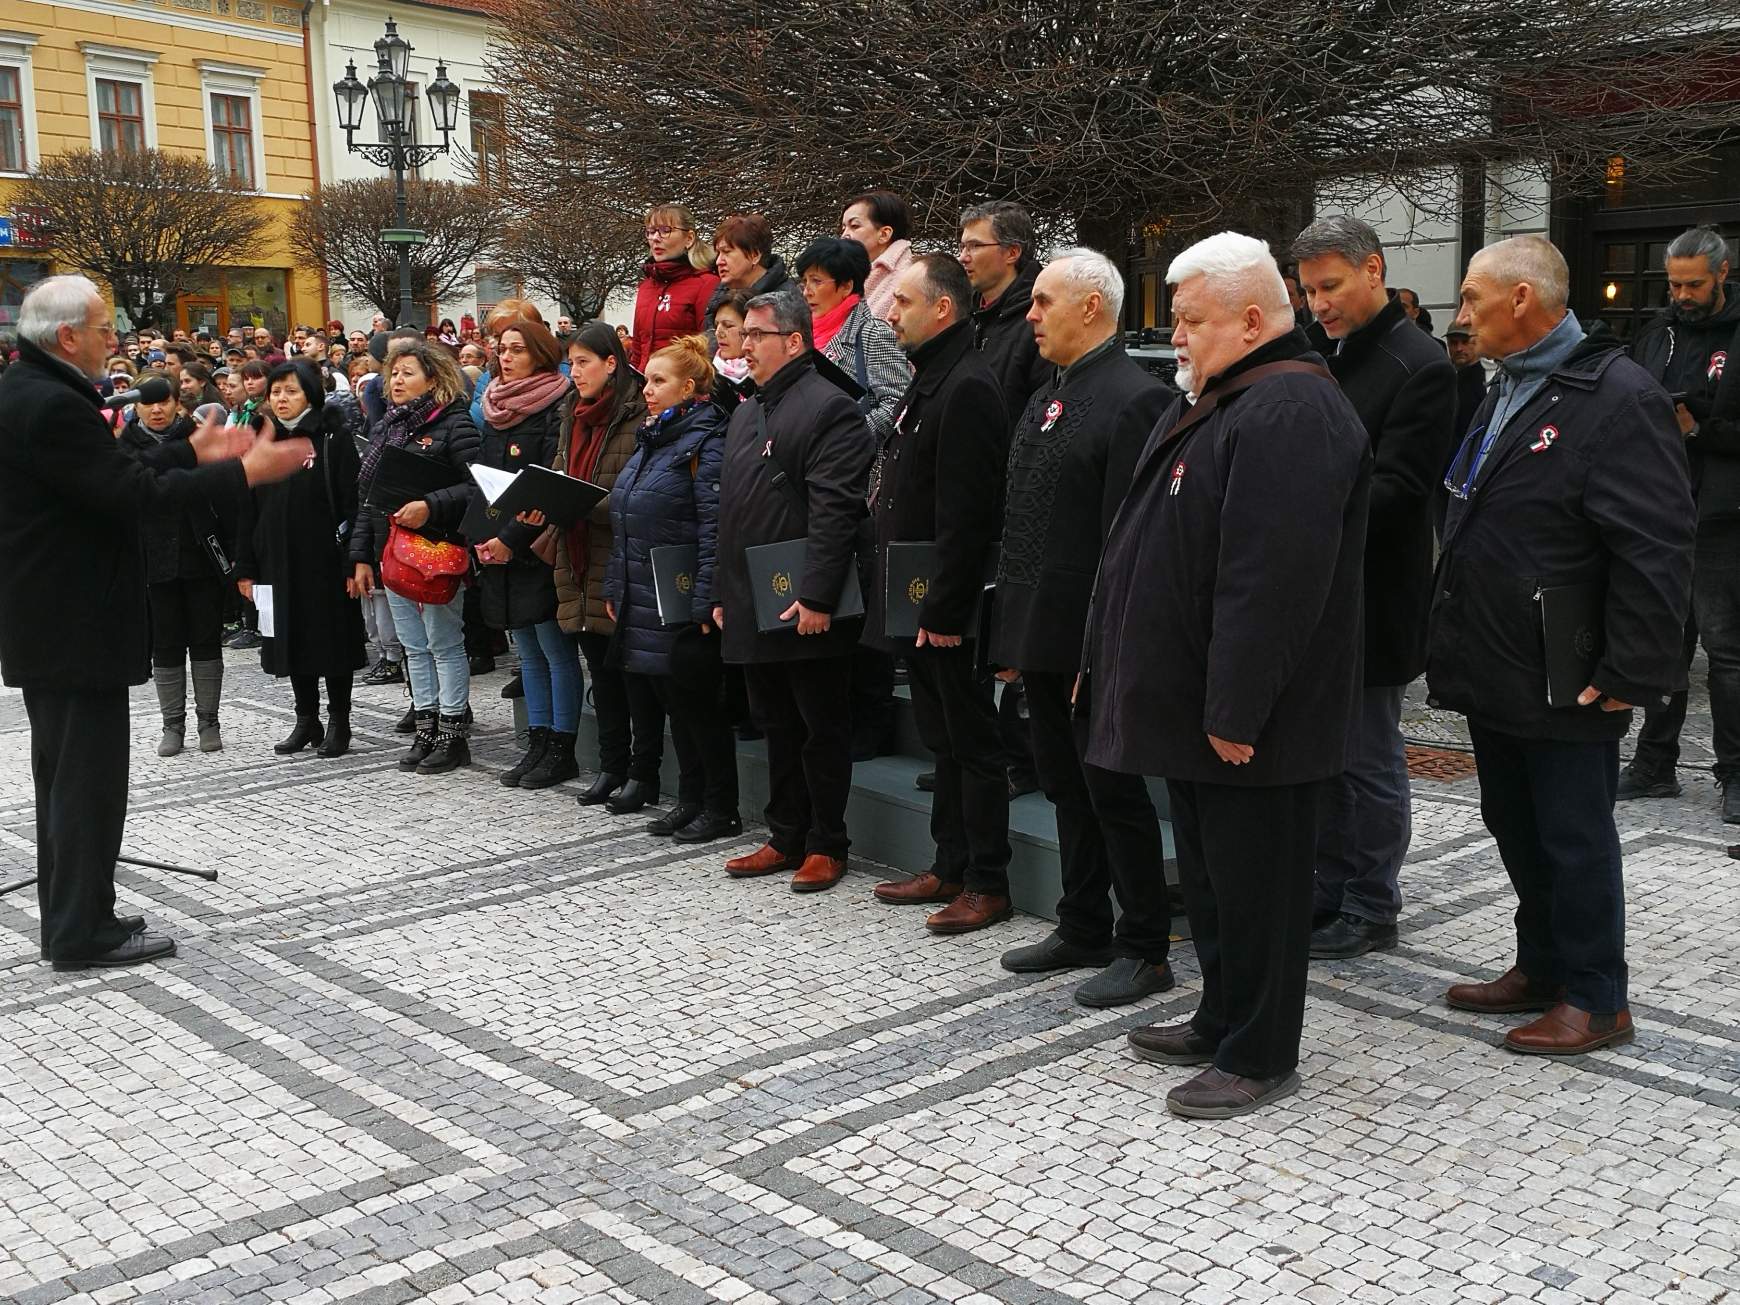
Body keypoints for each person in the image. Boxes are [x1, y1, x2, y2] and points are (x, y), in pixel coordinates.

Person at [1087, 233, 1371, 1118]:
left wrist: (1237, 705)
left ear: (1252, 320)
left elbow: (1272, 580)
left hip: (1255, 719)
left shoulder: (1289, 410)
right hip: (1203, 709)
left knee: (1261, 889)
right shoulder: (1229, 397)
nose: (1177, 336)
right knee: (1213, 881)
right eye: (1176, 319)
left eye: (1192, 320)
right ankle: (1220, 1014)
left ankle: (1260, 1050)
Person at [1429, 235, 1695, 1054]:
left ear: (1521, 300)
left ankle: (1597, 995)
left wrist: (1633, 669)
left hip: (1567, 666)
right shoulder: (1504, 386)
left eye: (1472, 298)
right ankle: (1540, 963)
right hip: (1497, 656)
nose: (1460, 314)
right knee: (1512, 819)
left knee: (1574, 834)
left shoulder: (1617, 395)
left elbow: (1656, 542)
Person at [0, 274, 313, 970]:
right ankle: (83, 932)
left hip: (53, 622)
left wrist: (189, 451)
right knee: (87, 783)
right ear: (67, 336)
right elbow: (128, 495)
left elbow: (103, 473)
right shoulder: (49, 403)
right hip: (74, 623)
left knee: (67, 779)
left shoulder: (35, 390)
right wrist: (244, 473)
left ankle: (78, 912)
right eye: (104, 327)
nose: (116, 339)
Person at [983, 250, 1176, 999]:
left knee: (1112, 791)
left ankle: (1144, 942)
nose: (1029, 314)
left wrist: (1098, 650)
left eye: (1042, 301)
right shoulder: (1048, 394)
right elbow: (1025, 519)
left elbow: (1126, 540)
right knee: (1066, 785)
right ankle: (1083, 919)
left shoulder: (1134, 399)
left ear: (1090, 306)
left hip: (1091, 639)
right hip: (1039, 629)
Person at [1290, 215, 1458, 959]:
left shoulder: (1421, 362)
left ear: (1373, 270)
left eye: (1329, 287)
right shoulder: (1315, 348)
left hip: (1373, 594)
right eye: (1308, 290)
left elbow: (1399, 490)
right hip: (1312, 591)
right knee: (1319, 753)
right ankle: (1326, 887)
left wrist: (1297, 508)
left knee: (1367, 754)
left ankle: (1370, 899)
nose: (1319, 303)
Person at [862, 254, 1013, 931]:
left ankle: (987, 878)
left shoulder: (968, 386)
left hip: (947, 606)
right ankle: (948, 862)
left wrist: (947, 609)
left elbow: (967, 515)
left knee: (972, 746)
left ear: (943, 308)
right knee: (943, 743)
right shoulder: (931, 378)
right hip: (917, 599)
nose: (892, 315)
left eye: (905, 303)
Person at [714, 289, 873, 893]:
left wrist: (818, 596)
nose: (744, 345)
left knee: (819, 726)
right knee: (774, 722)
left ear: (796, 341)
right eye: (743, 335)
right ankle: (785, 833)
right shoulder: (747, 409)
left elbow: (837, 512)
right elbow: (728, 509)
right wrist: (723, 590)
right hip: (753, 593)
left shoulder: (830, 408)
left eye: (757, 335)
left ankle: (827, 843)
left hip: (809, 601)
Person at [1619, 225, 1740, 810]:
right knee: (1664, 647)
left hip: (1722, 517)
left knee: (1726, 651)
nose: (1683, 294)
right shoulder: (1658, 332)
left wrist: (1701, 428)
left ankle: (1734, 774)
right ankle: (1654, 763)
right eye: (1674, 284)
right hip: (1660, 510)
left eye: (1693, 284)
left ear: (1723, 273)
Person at [606, 335, 740, 841]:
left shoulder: (705, 442)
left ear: (689, 387)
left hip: (683, 596)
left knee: (698, 706)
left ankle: (718, 805)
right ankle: (690, 797)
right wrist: (617, 586)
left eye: (659, 381)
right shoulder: (654, 438)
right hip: (646, 594)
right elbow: (626, 519)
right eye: (647, 380)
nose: (648, 390)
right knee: (674, 704)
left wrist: (707, 594)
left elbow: (714, 526)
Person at [795, 236, 912, 762]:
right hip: (814, 479)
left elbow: (899, 400)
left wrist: (849, 436)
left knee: (864, 602)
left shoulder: (872, 333)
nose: (807, 291)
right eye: (804, 281)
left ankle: (873, 718)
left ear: (847, 285)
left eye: (817, 281)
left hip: (863, 481)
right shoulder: (807, 333)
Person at [351, 338, 482, 774]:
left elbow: (477, 486)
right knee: (413, 646)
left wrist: (432, 505)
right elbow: (368, 499)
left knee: (444, 643)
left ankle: (452, 732)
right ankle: (425, 726)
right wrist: (361, 555)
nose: (398, 380)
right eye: (394, 374)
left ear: (434, 377)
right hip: (394, 549)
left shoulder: (455, 423)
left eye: (408, 372)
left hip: (437, 547)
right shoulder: (387, 425)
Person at [551, 320, 665, 811]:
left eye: (584, 363)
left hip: (620, 559)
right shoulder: (571, 413)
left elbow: (635, 490)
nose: (575, 373)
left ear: (611, 363)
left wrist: (573, 501)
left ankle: (644, 773)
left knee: (633, 678)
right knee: (601, 671)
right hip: (576, 558)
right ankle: (611, 766)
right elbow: (561, 467)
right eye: (571, 363)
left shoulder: (638, 414)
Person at [235, 360, 368, 758]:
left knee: (329, 641)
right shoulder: (262, 439)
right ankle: (306, 718)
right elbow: (245, 506)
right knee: (289, 639)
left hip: (325, 561)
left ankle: (340, 721)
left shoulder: (332, 437)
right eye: (276, 392)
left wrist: (353, 560)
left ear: (309, 393)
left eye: (291, 391)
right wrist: (244, 566)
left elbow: (352, 502)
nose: (282, 399)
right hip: (275, 560)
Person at [473, 317, 582, 790]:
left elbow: (543, 488)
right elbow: (486, 482)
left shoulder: (555, 405)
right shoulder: (496, 407)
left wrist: (508, 539)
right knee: (529, 653)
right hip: (501, 544)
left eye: (517, 348)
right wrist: (483, 536)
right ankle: (537, 739)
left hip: (538, 545)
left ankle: (563, 745)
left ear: (539, 353)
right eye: (501, 348)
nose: (506, 356)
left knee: (555, 650)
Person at [117, 372, 232, 756]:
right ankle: (172, 724)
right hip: (152, 558)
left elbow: (223, 490)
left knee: (204, 637)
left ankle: (208, 720)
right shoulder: (123, 448)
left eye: (163, 401)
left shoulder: (194, 437)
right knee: (165, 644)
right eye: (148, 402)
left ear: (177, 404)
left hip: (197, 550)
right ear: (135, 407)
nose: (156, 409)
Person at [958, 201, 1050, 416]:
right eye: (962, 246)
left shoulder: (1041, 319)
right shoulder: (963, 314)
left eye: (975, 246)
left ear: (1012, 253)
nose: (963, 257)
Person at [631, 205, 719, 371]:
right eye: (650, 231)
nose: (655, 238)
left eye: (665, 230)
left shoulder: (706, 284)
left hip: (685, 387)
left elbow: (710, 348)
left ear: (689, 238)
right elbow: (637, 348)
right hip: (646, 386)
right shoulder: (646, 287)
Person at [841, 189, 915, 322]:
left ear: (884, 234)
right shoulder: (848, 274)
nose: (844, 235)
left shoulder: (908, 278)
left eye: (854, 226)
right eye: (844, 227)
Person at [707, 212, 790, 327]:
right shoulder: (720, 294)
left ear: (754, 255)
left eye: (726, 252)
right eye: (718, 253)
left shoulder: (786, 301)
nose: (718, 261)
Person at [711, 290, 752, 384]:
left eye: (728, 325)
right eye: (716, 325)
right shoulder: (702, 373)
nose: (718, 333)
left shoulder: (770, 372)